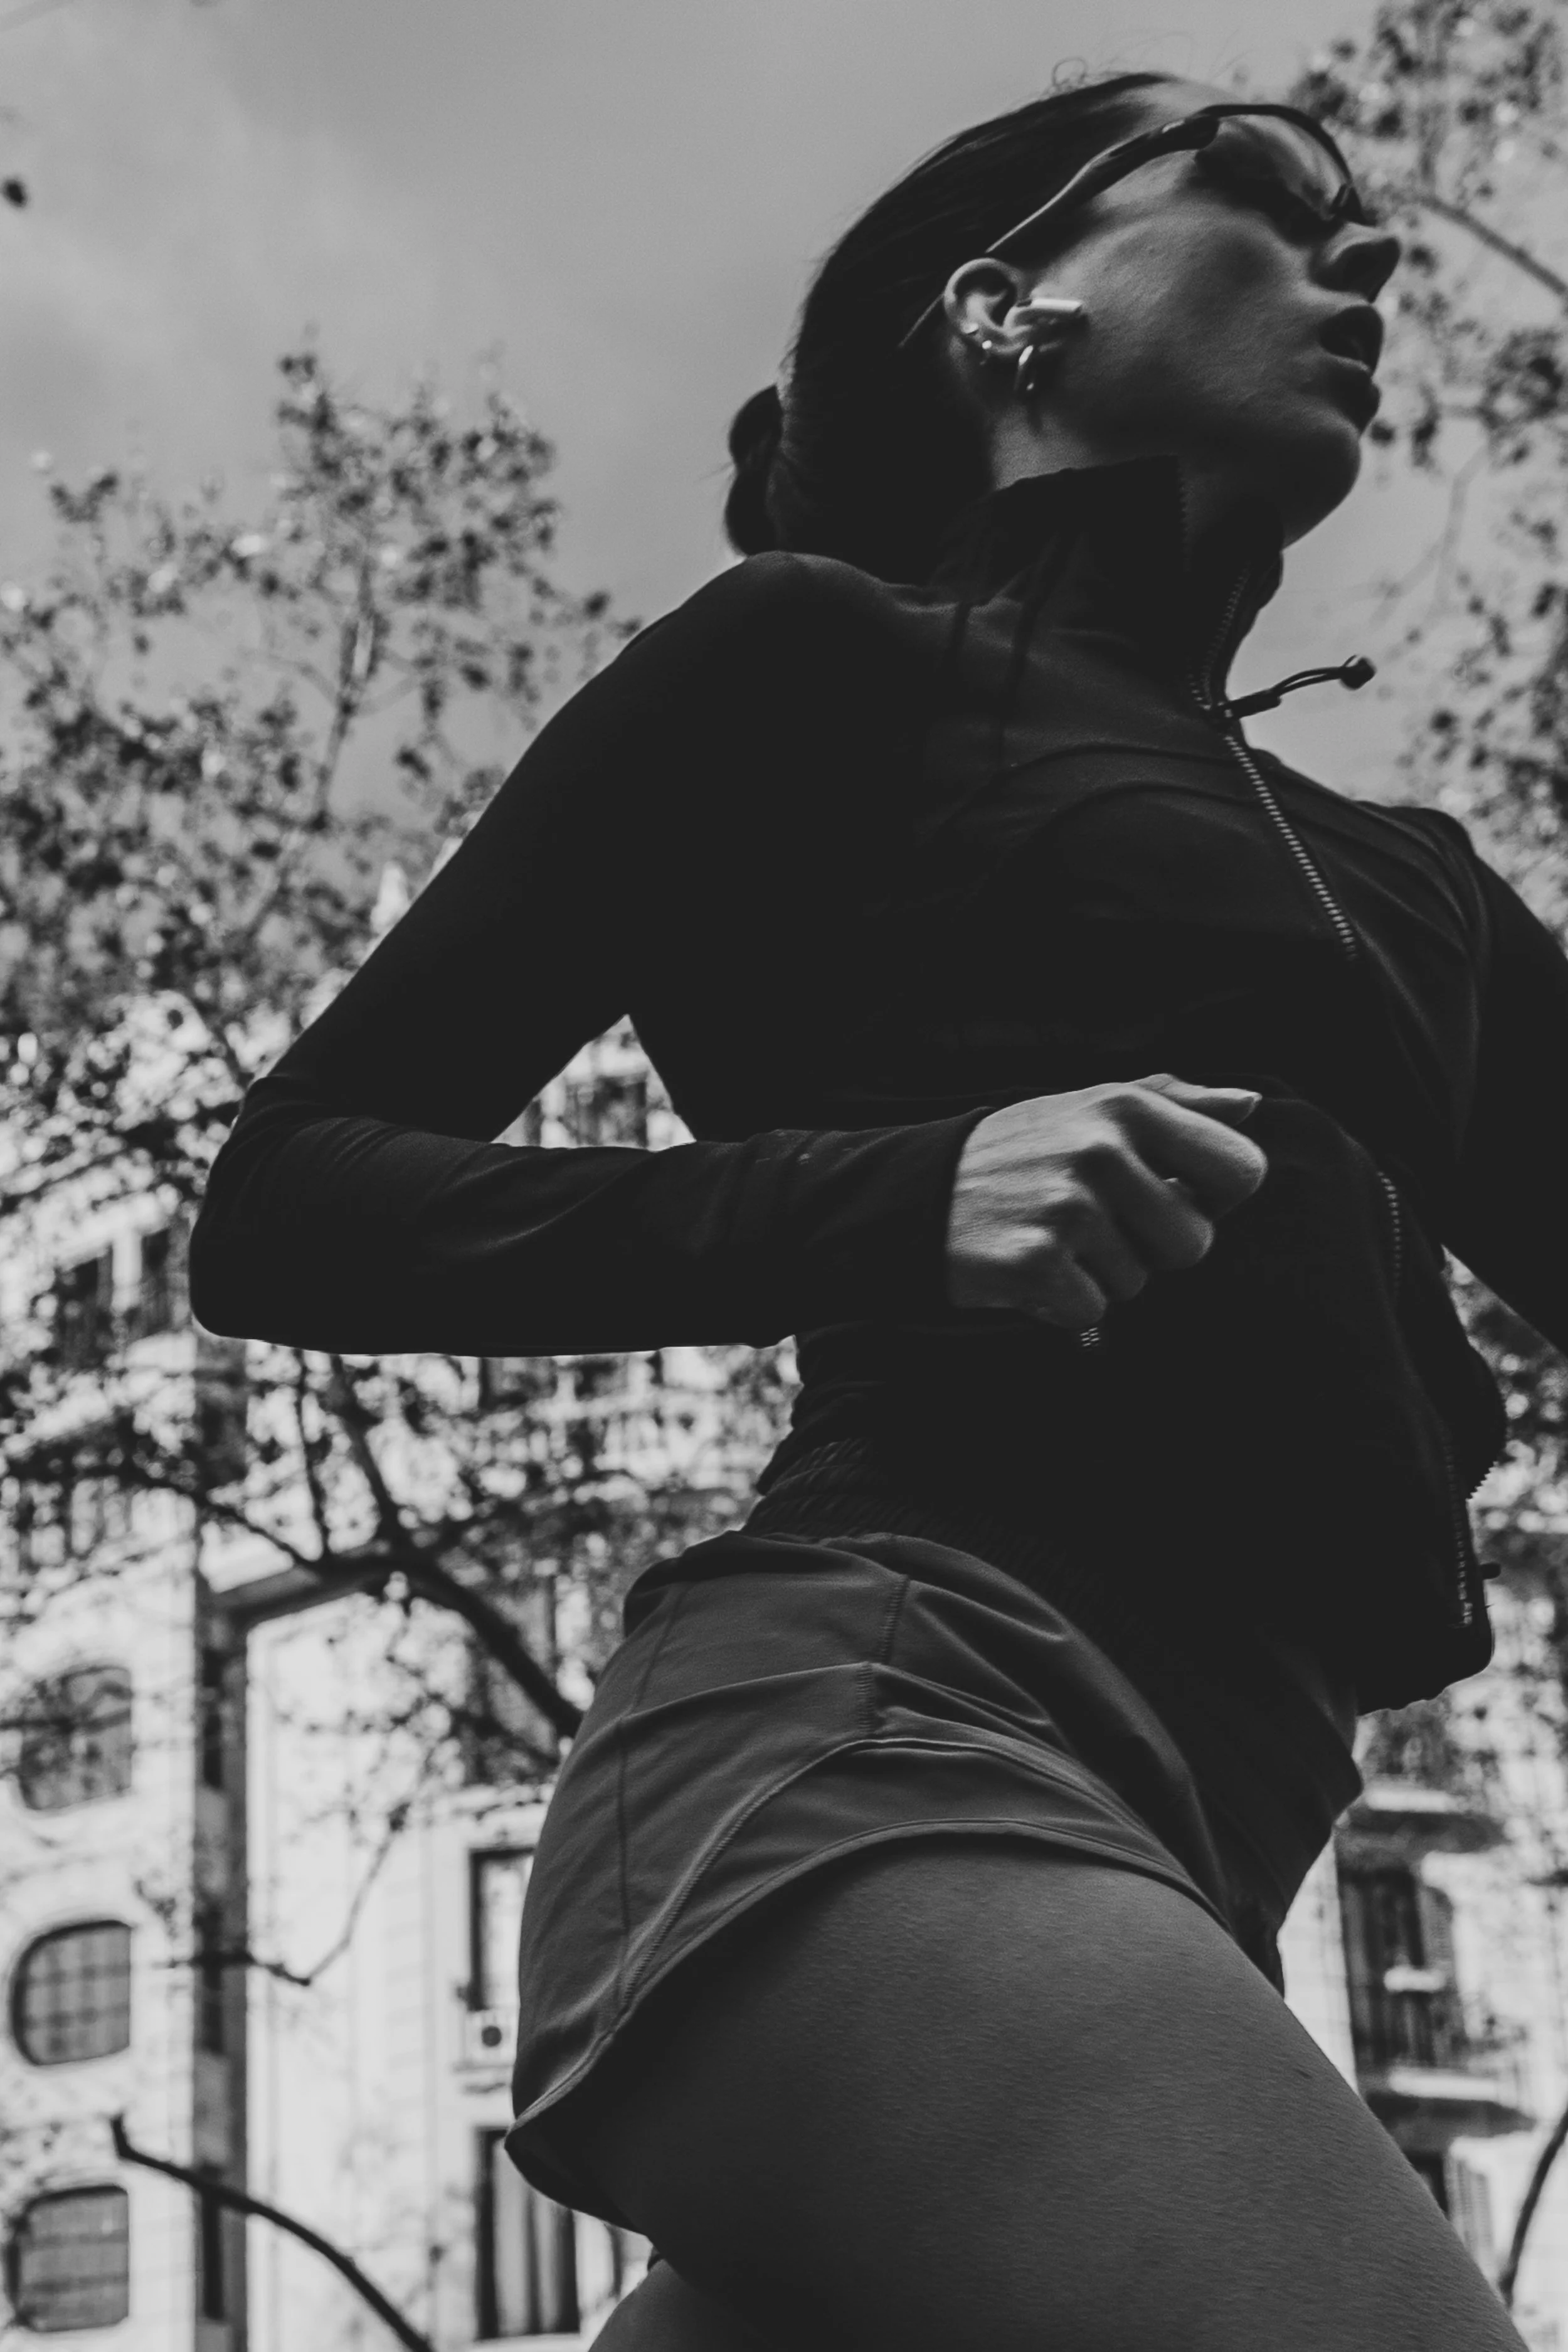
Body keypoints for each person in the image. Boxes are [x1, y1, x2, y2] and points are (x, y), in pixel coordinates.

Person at [186, 66, 1552, 2349]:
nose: (1371, 250)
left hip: (1203, 1850)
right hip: (887, 1735)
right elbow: (288, 1200)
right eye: (1262, 180)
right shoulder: (812, 659)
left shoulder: (1417, 886)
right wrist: (894, 1196)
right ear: (1003, 308)